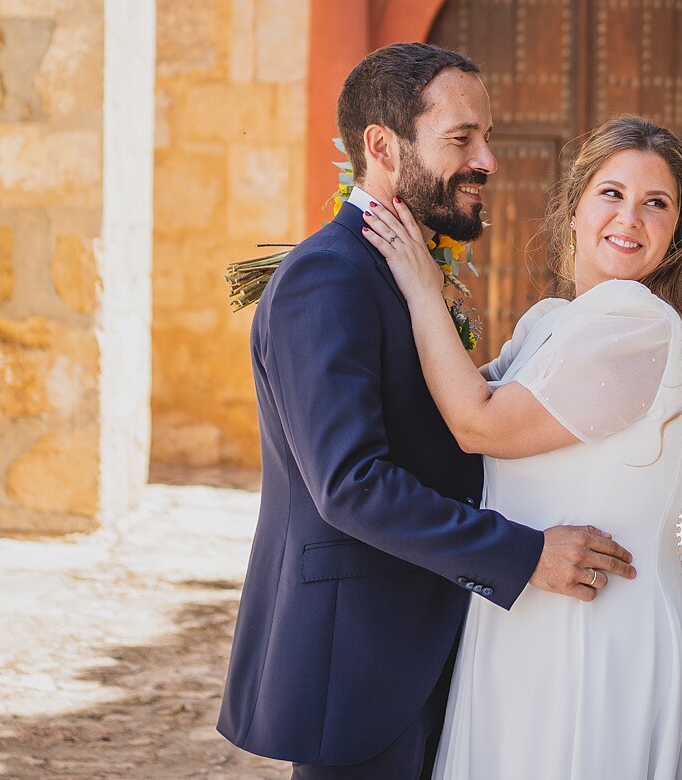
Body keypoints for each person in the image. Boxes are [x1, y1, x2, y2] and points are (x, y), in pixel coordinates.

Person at [218, 43, 637, 780]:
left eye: (488, 136)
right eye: (461, 138)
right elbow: (350, 482)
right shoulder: (327, 275)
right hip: (360, 660)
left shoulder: (402, 269)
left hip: (426, 646)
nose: (487, 160)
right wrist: (525, 552)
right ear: (382, 147)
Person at [361, 114, 682, 780]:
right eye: (612, 193)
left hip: (596, 626)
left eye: (657, 203)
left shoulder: (638, 323)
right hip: (526, 607)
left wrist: (420, 285)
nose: (631, 218)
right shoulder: (552, 321)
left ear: (678, 231)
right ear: (577, 205)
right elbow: (452, 409)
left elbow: (480, 424)